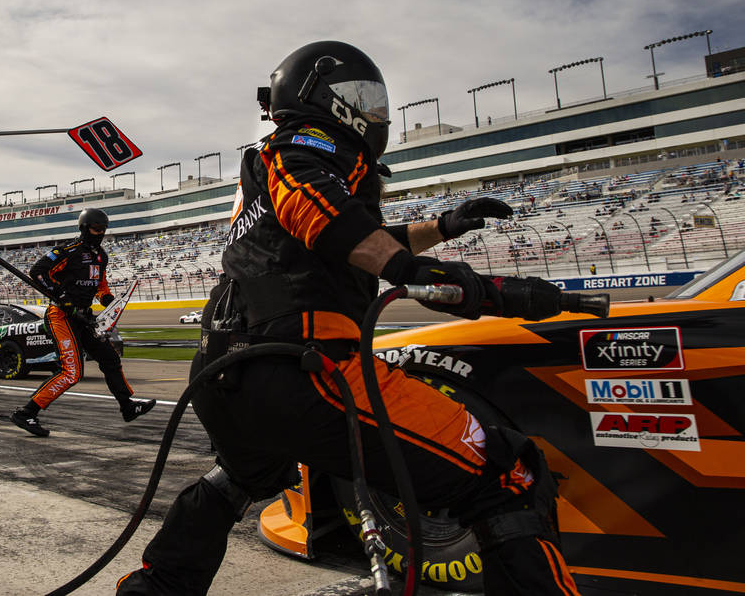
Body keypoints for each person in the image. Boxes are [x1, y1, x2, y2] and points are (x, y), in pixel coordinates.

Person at [118, 41, 578, 596]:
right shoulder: (301, 147)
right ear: (320, 97)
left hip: (228, 373)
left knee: (240, 479)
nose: (374, 111)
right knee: (507, 473)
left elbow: (352, 236)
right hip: (304, 369)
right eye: (361, 97)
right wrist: (424, 272)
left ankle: (153, 588)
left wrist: (444, 226)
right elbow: (320, 210)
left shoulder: (290, 166)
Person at [9, 209, 155, 437]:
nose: (101, 234)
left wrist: (108, 300)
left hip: (85, 317)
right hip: (61, 316)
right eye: (97, 230)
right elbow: (37, 272)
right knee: (72, 372)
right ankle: (27, 412)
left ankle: (128, 406)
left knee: (109, 358)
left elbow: (100, 284)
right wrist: (61, 295)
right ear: (85, 228)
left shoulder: (101, 256)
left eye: (104, 231)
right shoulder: (67, 250)